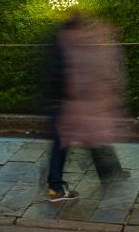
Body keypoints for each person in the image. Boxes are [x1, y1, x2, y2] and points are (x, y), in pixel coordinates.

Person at [43, 14, 128, 201]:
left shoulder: (65, 42)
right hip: (67, 104)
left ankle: (108, 171)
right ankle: (55, 186)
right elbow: (75, 77)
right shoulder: (73, 45)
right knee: (66, 142)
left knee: (81, 138)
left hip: (66, 102)